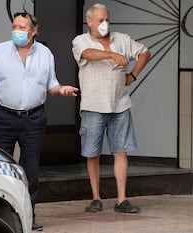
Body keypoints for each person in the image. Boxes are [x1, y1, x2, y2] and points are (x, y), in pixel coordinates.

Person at [0, 12, 78, 231]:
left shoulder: (45, 54)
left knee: (30, 171)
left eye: (22, 27)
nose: (17, 31)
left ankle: (27, 216)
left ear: (34, 31)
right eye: (15, 26)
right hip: (2, 117)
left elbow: (51, 85)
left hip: (33, 119)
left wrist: (62, 89)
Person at [72, 3, 151, 213]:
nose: (105, 24)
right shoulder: (81, 41)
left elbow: (145, 52)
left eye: (107, 19)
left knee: (121, 152)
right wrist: (110, 55)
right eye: (100, 20)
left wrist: (133, 75)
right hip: (93, 105)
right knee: (92, 153)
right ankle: (96, 197)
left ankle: (122, 200)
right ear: (89, 21)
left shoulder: (122, 39)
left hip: (120, 104)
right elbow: (88, 54)